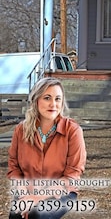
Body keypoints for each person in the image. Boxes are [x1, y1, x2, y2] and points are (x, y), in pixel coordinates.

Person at [7, 78, 86, 219]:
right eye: (47, 98)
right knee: (16, 215)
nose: (53, 104)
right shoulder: (21, 130)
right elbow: (14, 167)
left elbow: (72, 174)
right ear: (36, 100)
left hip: (62, 192)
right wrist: (25, 194)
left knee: (38, 213)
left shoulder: (72, 131)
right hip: (28, 189)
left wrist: (37, 198)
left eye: (57, 99)